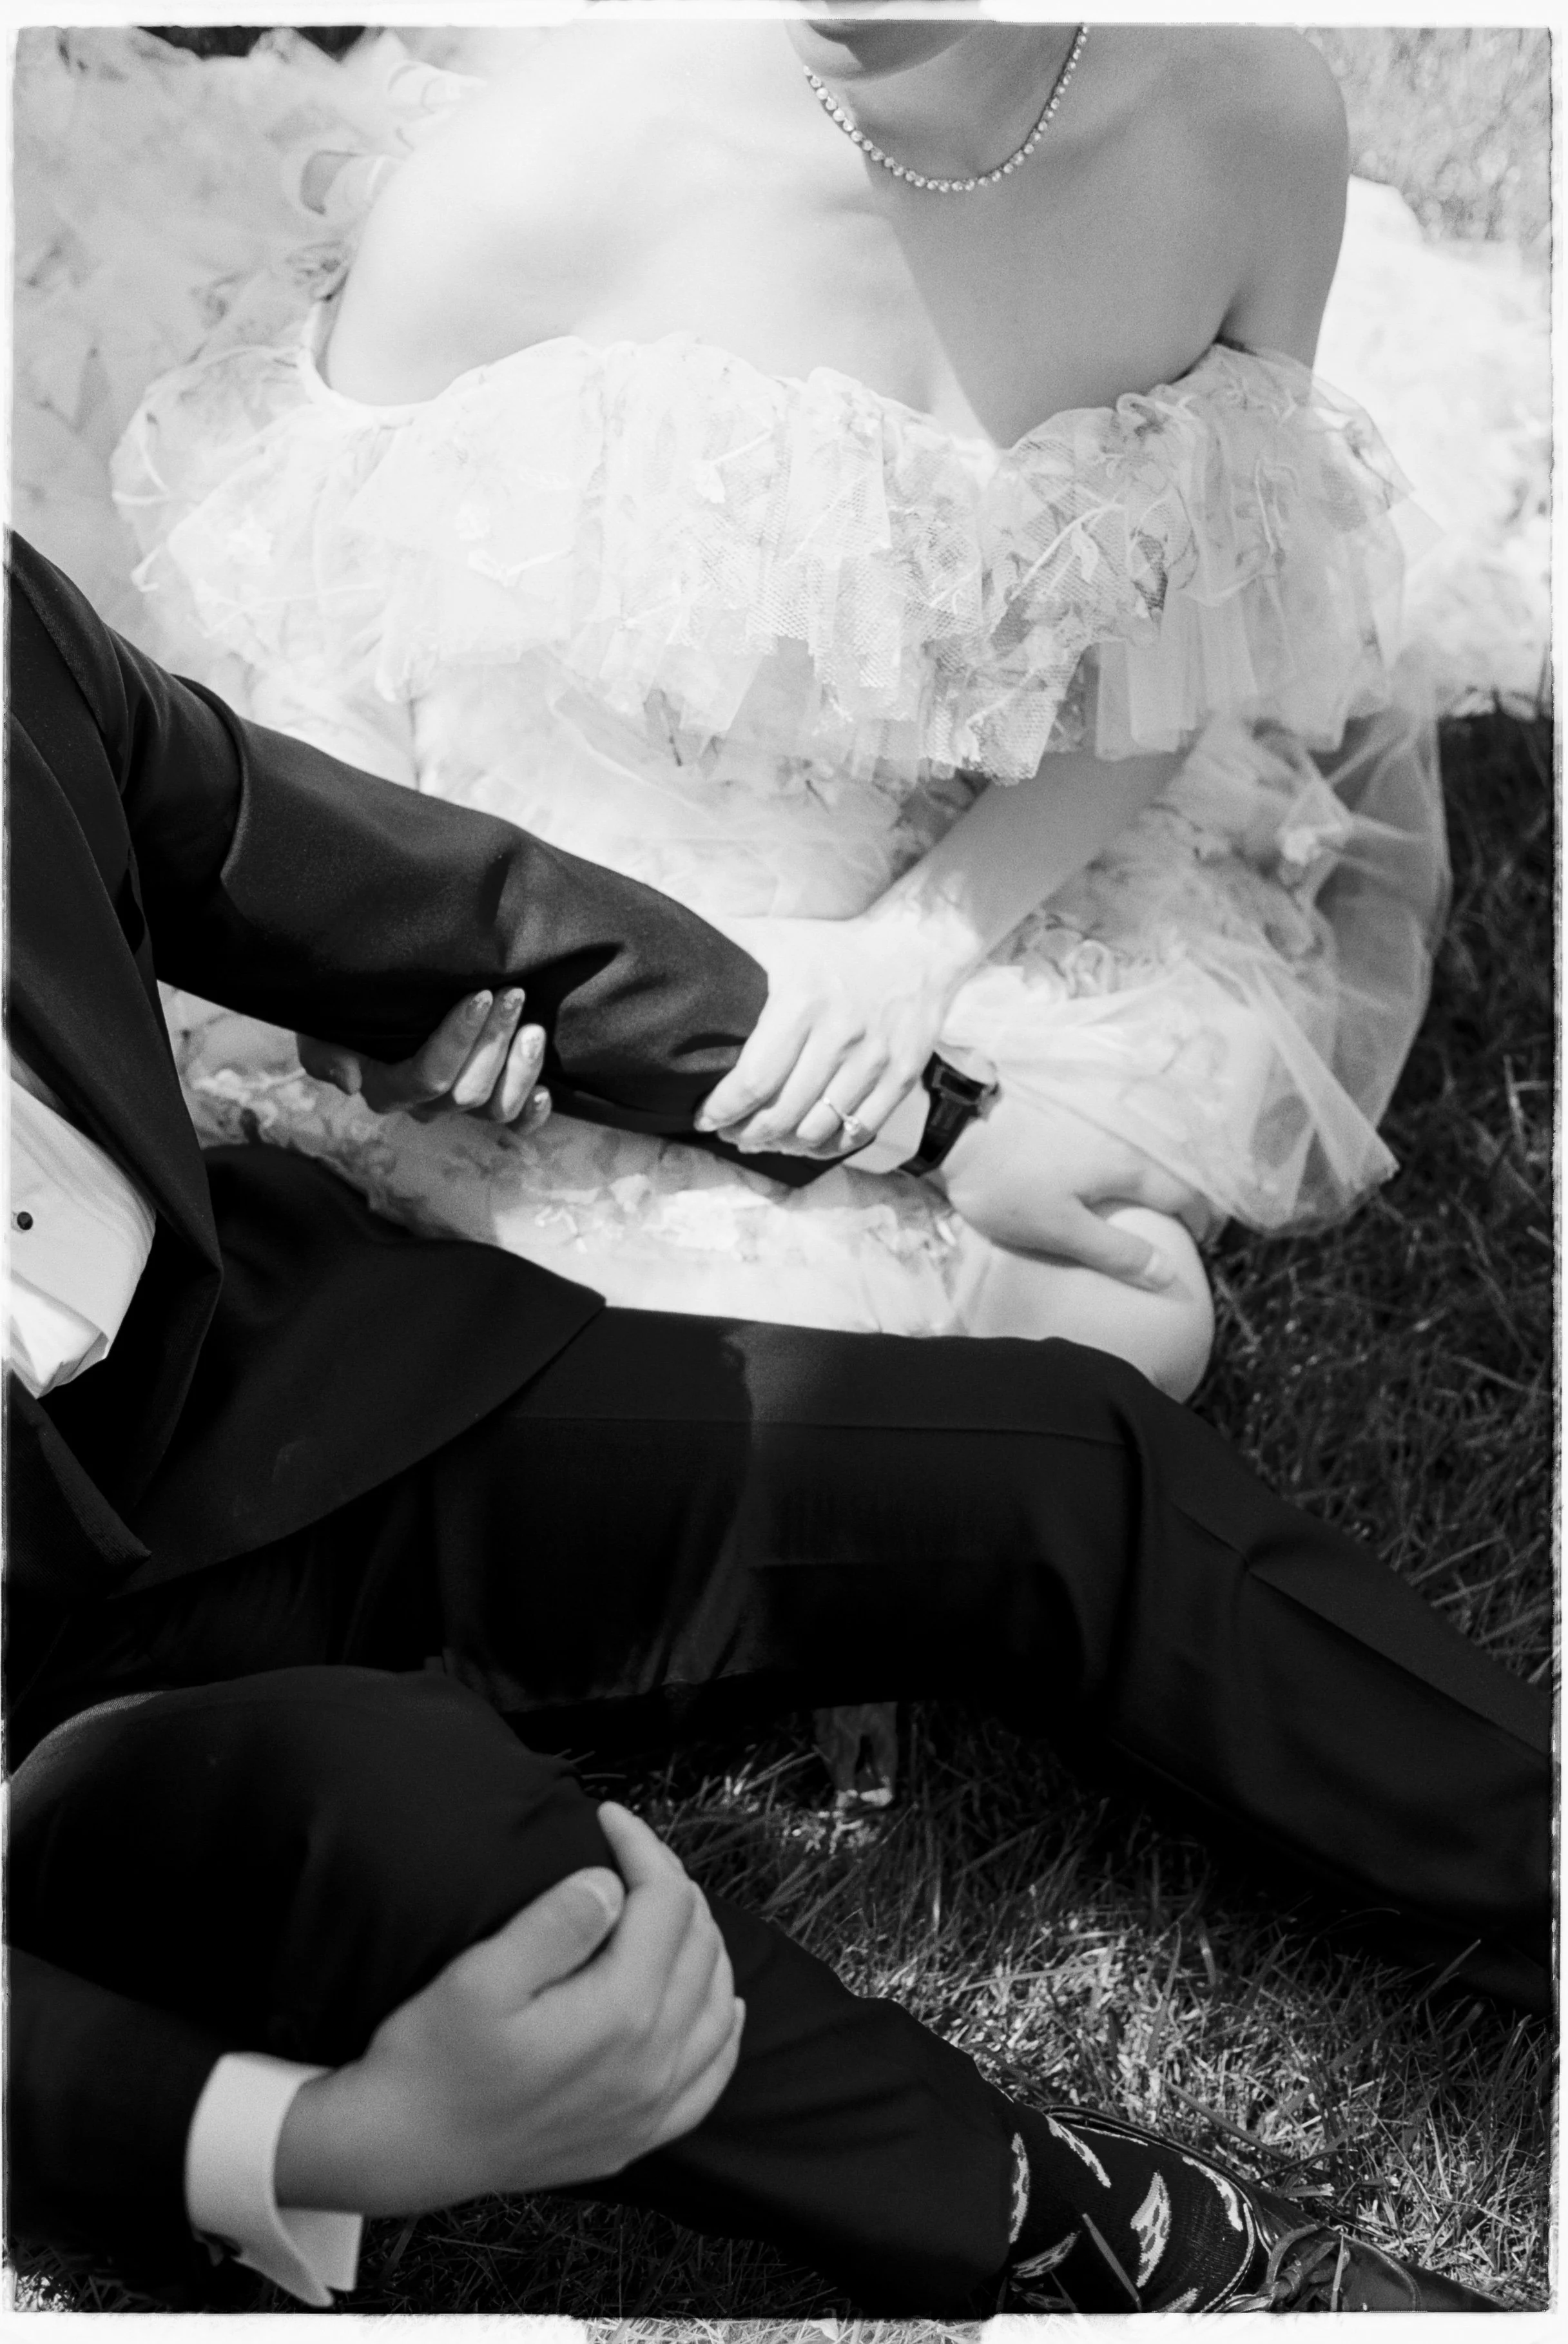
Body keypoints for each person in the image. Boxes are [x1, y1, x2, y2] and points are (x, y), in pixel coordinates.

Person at [3, 533, 1540, 2316]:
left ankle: (1534, 1860)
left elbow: (401, 898)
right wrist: (301, 2137)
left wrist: (940, 1124)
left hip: (271, 1395)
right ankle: (1120, 2237)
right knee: (500, 1882)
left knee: (1058, 1457)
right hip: (44, 1711)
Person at [109, 15, 1447, 1399]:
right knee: (707, 1360)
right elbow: (311, 646)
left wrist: (917, 947)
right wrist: (376, 989)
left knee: (1132, 1318)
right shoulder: (541, 167)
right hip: (570, 883)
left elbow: (1187, 635)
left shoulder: (1246, 124)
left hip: (966, 845)